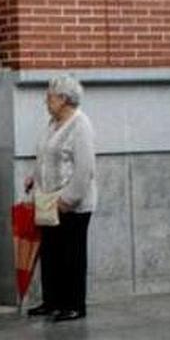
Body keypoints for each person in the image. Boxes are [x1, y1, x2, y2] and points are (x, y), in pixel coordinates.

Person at [25, 74, 97, 322]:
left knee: (72, 254)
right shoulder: (53, 123)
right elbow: (44, 156)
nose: (46, 101)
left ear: (64, 99)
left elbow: (84, 168)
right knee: (51, 252)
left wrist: (69, 199)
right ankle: (52, 301)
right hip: (49, 200)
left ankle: (74, 304)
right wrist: (33, 177)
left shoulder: (80, 125)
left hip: (72, 204)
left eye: (50, 96)